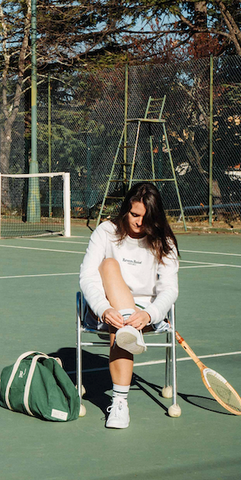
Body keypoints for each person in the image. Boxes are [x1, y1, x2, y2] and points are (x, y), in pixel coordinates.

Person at [79, 182, 179, 429]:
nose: (139, 223)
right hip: (105, 309)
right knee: (109, 265)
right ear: (125, 210)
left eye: (146, 218)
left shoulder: (163, 241)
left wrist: (149, 314)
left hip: (145, 315)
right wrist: (104, 308)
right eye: (135, 215)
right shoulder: (106, 231)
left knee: (123, 329)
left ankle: (120, 402)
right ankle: (120, 401)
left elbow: (169, 290)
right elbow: (88, 276)